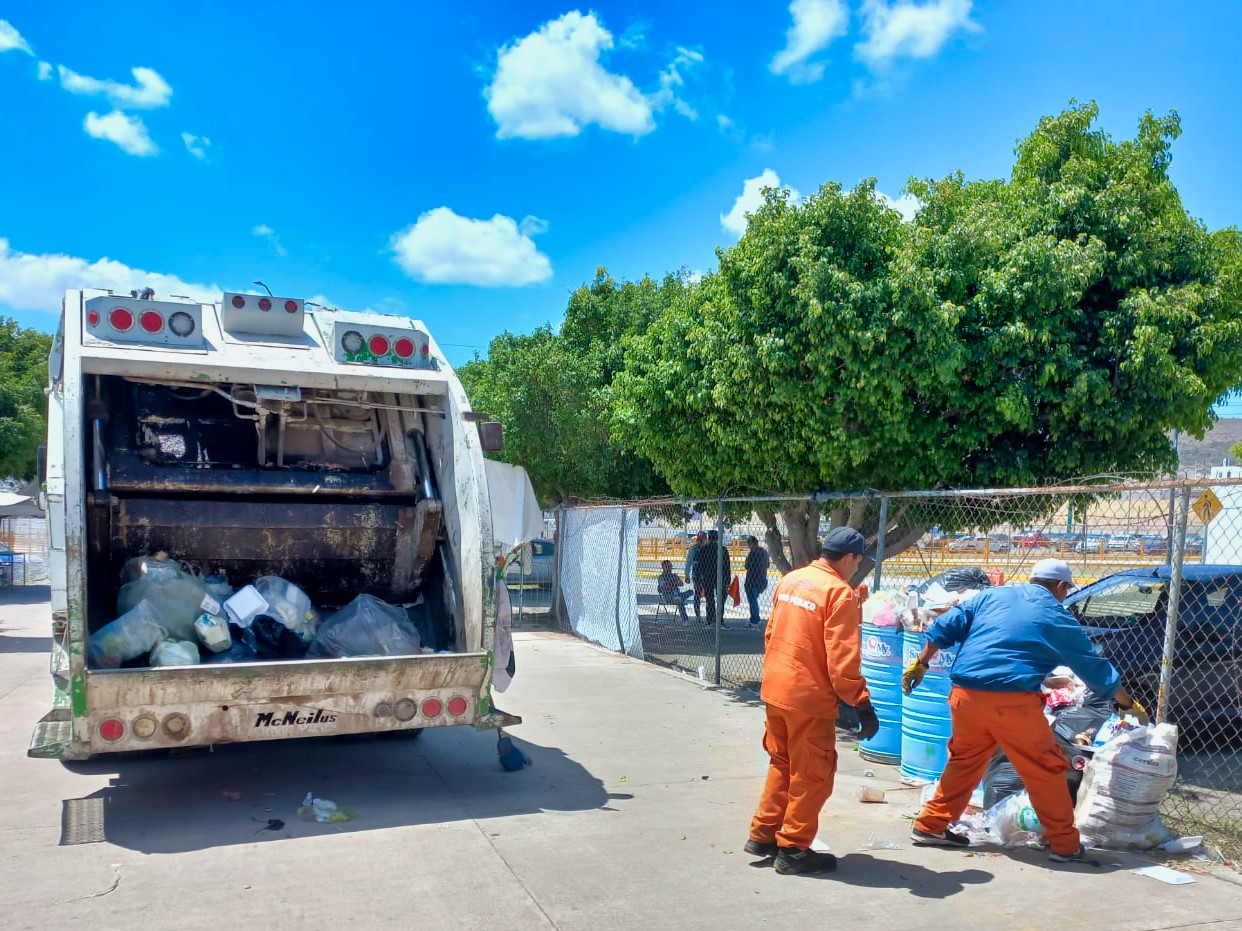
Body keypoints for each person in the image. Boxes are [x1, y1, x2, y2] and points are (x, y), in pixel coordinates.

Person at [904, 558, 1148, 862]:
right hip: (1011, 703)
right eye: (1066, 589)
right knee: (1044, 769)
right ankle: (1064, 845)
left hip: (965, 697)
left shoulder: (991, 596)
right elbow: (1094, 667)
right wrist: (1125, 701)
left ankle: (931, 825)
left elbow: (944, 626)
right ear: (1060, 587)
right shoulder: (1056, 616)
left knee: (965, 761)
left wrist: (921, 663)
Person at [745, 527, 880, 875]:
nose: (857, 568)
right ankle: (793, 849)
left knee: (782, 763)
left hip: (776, 688)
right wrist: (861, 703)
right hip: (808, 698)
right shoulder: (838, 593)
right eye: (858, 561)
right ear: (849, 557)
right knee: (813, 774)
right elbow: (842, 660)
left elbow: (772, 633)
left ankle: (764, 834)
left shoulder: (792, 580)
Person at [693, 530, 732, 629]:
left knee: (709, 600)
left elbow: (699, 565)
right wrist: (728, 580)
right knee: (721, 601)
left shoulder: (704, 549)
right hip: (721, 577)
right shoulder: (723, 549)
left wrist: (699, 578)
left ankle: (710, 620)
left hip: (708, 577)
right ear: (718, 538)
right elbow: (727, 566)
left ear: (709, 538)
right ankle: (719, 621)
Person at [743, 535, 771, 628]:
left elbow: (747, 565)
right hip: (761, 580)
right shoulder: (764, 552)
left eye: (749, 544)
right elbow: (767, 565)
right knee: (754, 600)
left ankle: (754, 620)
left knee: (752, 601)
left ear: (754, 543)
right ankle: (755, 618)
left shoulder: (753, 553)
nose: (748, 546)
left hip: (752, 580)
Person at [684, 532, 706, 622]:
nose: (701, 542)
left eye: (702, 539)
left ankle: (709, 615)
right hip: (697, 575)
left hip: (706, 575)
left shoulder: (708, 548)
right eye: (700, 540)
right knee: (697, 594)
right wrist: (687, 575)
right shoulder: (694, 549)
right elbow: (689, 562)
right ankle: (698, 615)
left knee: (707, 594)